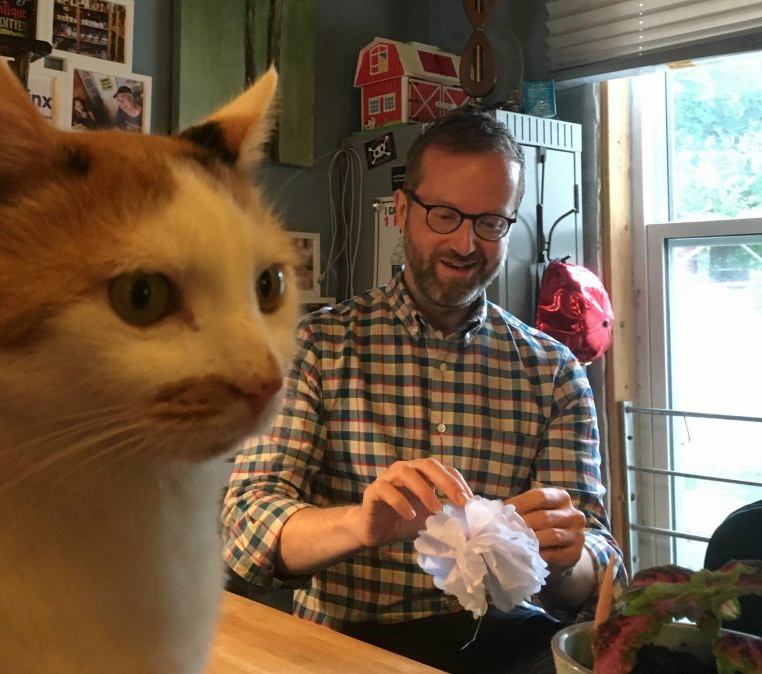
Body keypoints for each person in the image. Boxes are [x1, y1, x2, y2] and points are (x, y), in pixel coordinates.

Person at [221, 107, 622, 674]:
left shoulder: (552, 371)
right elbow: (245, 527)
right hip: (352, 643)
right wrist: (360, 525)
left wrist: (567, 556)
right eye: (445, 215)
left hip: (509, 643)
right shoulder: (316, 347)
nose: (465, 243)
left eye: (490, 223)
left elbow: (601, 571)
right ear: (403, 211)